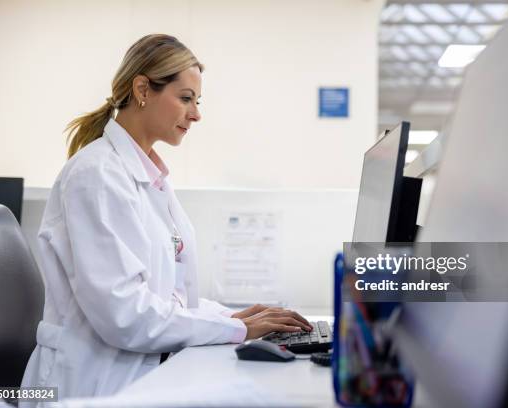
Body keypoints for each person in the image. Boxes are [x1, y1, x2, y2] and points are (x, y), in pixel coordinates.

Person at [20, 34, 312, 404]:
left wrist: (231, 315)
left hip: (133, 367)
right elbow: (125, 315)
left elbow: (165, 299)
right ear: (142, 89)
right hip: (94, 380)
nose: (196, 113)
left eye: (197, 101)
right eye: (186, 98)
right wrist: (236, 328)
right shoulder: (96, 176)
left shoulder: (148, 178)